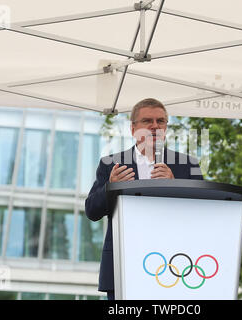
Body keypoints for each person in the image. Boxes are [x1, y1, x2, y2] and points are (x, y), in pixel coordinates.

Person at [85, 98, 203, 300]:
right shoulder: (111, 164)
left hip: (172, 266)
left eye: (161, 121)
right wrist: (109, 187)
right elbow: (92, 211)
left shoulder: (186, 165)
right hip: (124, 266)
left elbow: (201, 215)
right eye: (148, 121)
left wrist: (175, 184)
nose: (155, 126)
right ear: (133, 129)